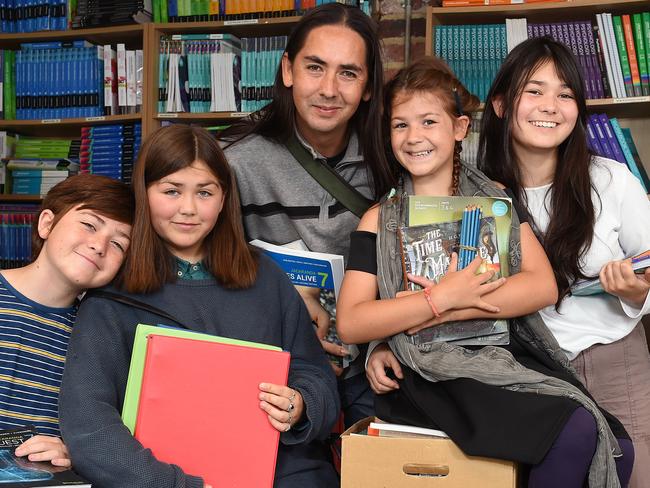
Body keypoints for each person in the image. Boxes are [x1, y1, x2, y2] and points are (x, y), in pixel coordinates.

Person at [336, 56, 634, 488]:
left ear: (459, 129)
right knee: (576, 433)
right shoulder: (378, 218)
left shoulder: (495, 201)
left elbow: (542, 285)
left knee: (616, 449)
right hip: (428, 372)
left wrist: (451, 306)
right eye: (400, 125)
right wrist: (437, 299)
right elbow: (351, 321)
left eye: (428, 122)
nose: (414, 137)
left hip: (497, 355)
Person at [58, 125, 340, 488]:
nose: (188, 209)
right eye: (171, 191)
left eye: (205, 192)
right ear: (144, 194)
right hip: (164, 477)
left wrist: (300, 405)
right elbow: (89, 423)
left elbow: (316, 376)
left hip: (281, 474)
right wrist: (172, 484)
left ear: (224, 198)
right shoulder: (113, 294)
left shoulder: (264, 275)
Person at [478, 36, 650, 487]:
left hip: (611, 360)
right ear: (500, 104)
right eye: (534, 90)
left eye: (565, 93)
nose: (550, 105)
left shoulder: (611, 181)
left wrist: (638, 291)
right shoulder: (475, 194)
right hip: (518, 370)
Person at [220, 3, 390, 428]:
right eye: (315, 67)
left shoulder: (394, 156)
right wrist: (287, 311)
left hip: (375, 359)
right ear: (287, 70)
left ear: (368, 86)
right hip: (272, 358)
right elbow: (202, 269)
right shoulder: (234, 162)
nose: (329, 89)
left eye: (348, 73)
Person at [0, 174, 134, 467]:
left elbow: (100, 432)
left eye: (118, 244)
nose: (99, 246)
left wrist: (73, 454)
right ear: (47, 223)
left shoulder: (101, 337)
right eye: (89, 225)